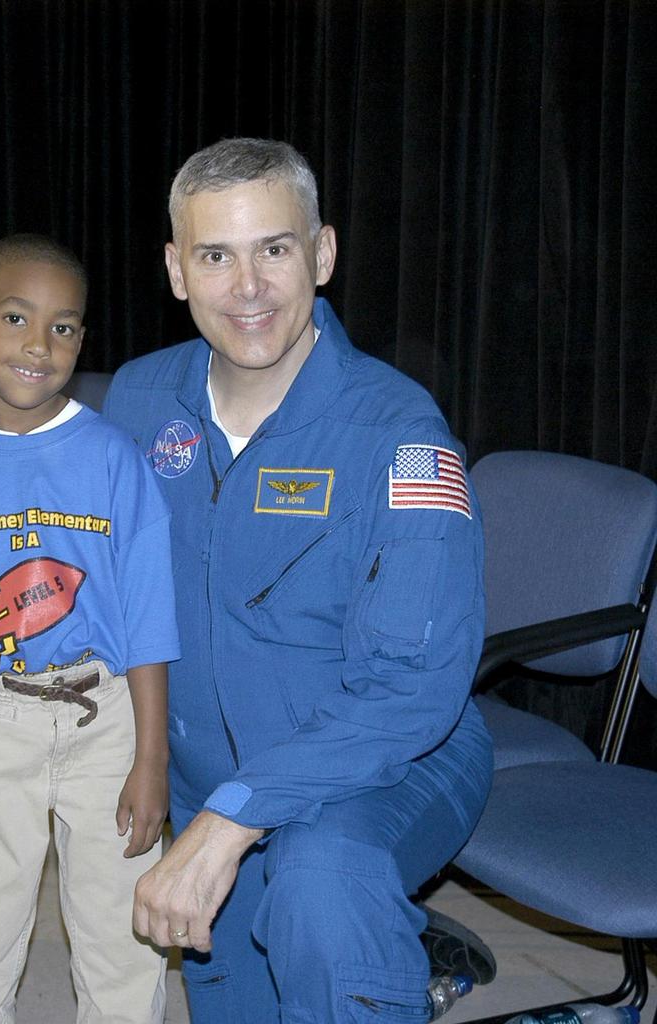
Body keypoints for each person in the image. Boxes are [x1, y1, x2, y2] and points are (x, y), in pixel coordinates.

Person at [105, 139, 494, 1023]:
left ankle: (367, 935)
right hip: (217, 776)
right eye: (216, 256)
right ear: (177, 270)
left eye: (274, 249)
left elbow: (412, 689)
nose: (248, 288)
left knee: (321, 882)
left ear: (321, 253)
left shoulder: (400, 435)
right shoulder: (137, 400)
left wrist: (232, 819)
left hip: (393, 760)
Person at [0, 234, 180, 1024]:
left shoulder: (117, 459)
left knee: (124, 944)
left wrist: (151, 760)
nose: (39, 344)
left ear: (83, 341)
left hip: (107, 714)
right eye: (16, 317)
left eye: (64, 326)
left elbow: (149, 620)